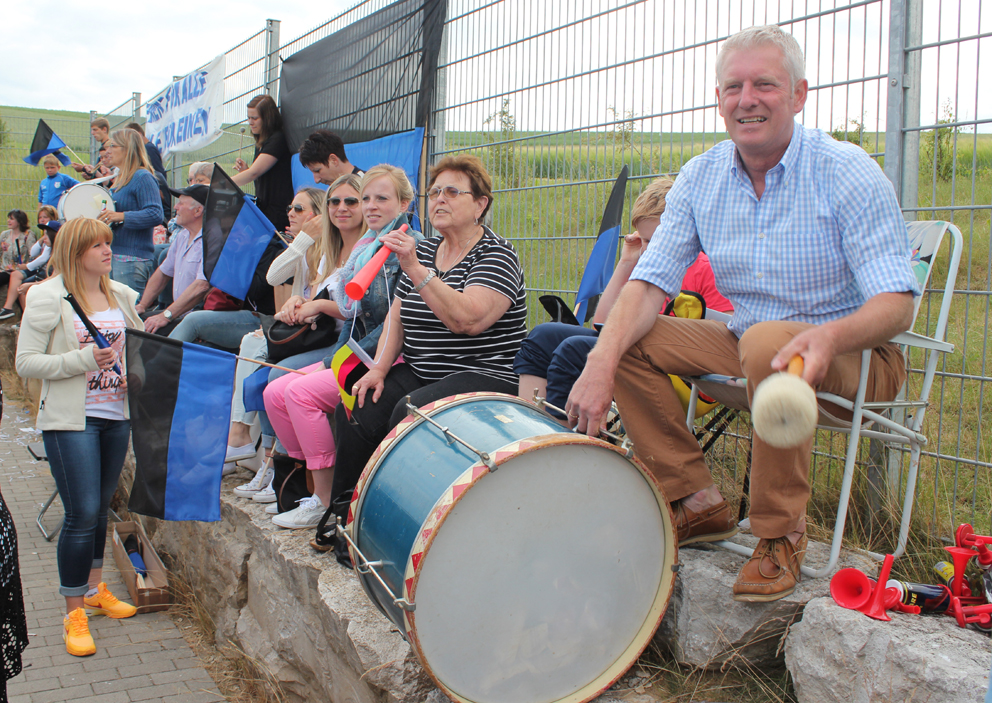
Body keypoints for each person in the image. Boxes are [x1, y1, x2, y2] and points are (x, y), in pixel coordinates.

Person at [566, 25, 918, 603]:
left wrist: (828, 336)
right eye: (734, 86)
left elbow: (897, 303)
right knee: (624, 339)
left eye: (765, 84)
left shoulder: (845, 170)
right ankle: (696, 499)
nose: (746, 98)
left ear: (799, 95)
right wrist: (601, 359)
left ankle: (781, 534)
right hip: (750, 339)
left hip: (858, 354)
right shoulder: (702, 177)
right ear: (719, 98)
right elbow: (650, 282)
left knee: (767, 345)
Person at [323, 155, 526, 560]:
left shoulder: (497, 255)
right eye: (434, 192)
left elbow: (466, 320)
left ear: (481, 203)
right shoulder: (428, 247)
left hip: (486, 374)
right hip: (424, 370)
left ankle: (397, 530)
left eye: (453, 192)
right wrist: (379, 368)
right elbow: (399, 310)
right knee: (360, 402)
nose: (439, 200)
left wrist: (416, 268)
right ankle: (346, 516)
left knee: (407, 411)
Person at [256, 167, 422, 530]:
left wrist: (343, 359)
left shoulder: (404, 247)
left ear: (404, 203)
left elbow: (395, 321)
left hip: (387, 355)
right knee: (274, 392)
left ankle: (327, 501)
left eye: (381, 199)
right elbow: (351, 310)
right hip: (357, 346)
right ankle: (305, 482)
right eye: (366, 199)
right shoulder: (368, 245)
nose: (370, 206)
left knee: (299, 394)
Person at [15, 218, 144, 657]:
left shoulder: (122, 295)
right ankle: (74, 612)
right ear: (75, 252)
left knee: (100, 509)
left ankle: (93, 590)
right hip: (72, 421)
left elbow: (139, 352)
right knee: (81, 512)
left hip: (116, 417)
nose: (108, 251)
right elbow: (26, 363)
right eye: (97, 246)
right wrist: (81, 359)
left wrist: (135, 377)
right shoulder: (47, 297)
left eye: (109, 243)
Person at [515, 178, 733, 411]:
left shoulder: (705, 268)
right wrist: (627, 260)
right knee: (542, 336)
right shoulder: (647, 265)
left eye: (657, 240)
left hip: (679, 369)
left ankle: (562, 435)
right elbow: (601, 323)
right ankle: (533, 420)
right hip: (631, 345)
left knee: (572, 350)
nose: (649, 248)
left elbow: (723, 332)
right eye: (646, 240)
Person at [222, 186, 326, 465]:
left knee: (268, 367)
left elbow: (318, 302)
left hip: (321, 335)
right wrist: (302, 241)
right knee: (252, 342)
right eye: (290, 208)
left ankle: (262, 452)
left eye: (299, 209)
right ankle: (246, 437)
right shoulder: (302, 248)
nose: (290, 213)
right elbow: (275, 276)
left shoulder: (330, 247)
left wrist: (305, 239)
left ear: (318, 217)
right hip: (302, 329)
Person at [97, 129, 164, 299]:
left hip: (132, 260)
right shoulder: (120, 179)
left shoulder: (142, 177)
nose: (108, 151)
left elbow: (156, 213)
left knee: (129, 316)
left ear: (127, 149)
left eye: (113, 145)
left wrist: (120, 216)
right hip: (117, 256)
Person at [134, 185, 211, 335]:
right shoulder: (182, 236)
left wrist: (166, 315)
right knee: (133, 323)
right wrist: (142, 305)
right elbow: (163, 273)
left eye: (181, 203)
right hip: (177, 313)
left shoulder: (211, 241)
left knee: (145, 334)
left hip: (195, 317)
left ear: (198, 211)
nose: (175, 207)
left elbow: (201, 286)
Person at [232, 94, 293, 233]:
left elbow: (254, 172)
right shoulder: (261, 142)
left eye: (255, 118)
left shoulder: (278, 139)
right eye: (248, 118)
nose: (250, 122)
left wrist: (222, 184)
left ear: (268, 119)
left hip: (277, 212)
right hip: (266, 210)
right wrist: (246, 170)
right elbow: (258, 174)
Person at [0, 210, 38, 320]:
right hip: (4, 269)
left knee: (18, 287)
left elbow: (33, 255)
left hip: (19, 269)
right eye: (9, 218)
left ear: (19, 221)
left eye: (12, 218)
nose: (8, 221)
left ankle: (20, 315)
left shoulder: (28, 236)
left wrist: (26, 265)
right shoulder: (4, 235)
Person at [298, 129, 363, 185]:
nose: (316, 180)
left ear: (333, 160)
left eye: (317, 171)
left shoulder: (367, 185)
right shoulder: (332, 193)